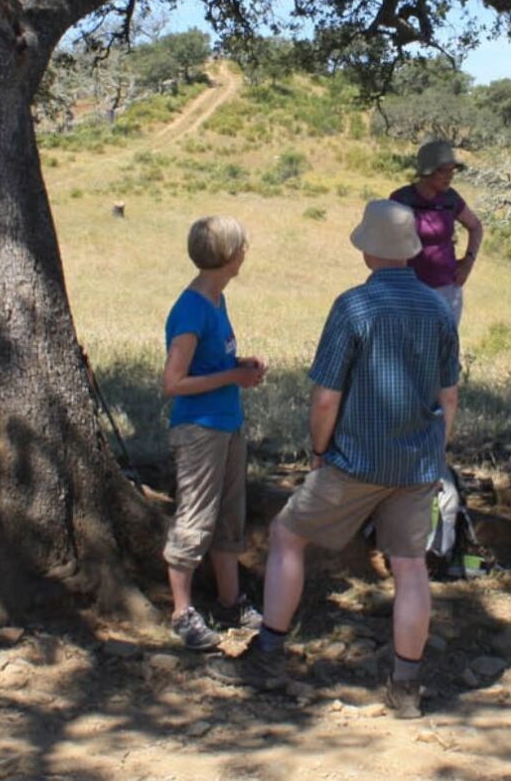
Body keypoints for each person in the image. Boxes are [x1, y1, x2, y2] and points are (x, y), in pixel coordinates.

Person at [213, 200, 460, 720]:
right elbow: (449, 398)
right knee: (410, 566)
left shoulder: (354, 307)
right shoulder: (438, 310)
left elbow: (326, 396)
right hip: (416, 464)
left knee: (287, 534)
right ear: (410, 252)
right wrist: (434, 458)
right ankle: (406, 686)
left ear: (369, 251)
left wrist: (320, 452)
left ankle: (270, 653)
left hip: (356, 459)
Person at [160, 215, 267, 650]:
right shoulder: (191, 310)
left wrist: (240, 367)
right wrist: (231, 379)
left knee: (228, 519)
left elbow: (214, 365)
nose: (245, 254)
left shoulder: (217, 301)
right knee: (196, 519)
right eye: (241, 247)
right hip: (200, 430)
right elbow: (174, 382)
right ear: (227, 255)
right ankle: (182, 613)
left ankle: (230, 601)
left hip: (227, 425)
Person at [389, 139, 483, 324]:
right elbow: (387, 243)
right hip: (408, 289)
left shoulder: (451, 199)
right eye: (443, 170)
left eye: (452, 170)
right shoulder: (402, 199)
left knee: (443, 348)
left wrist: (468, 262)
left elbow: (476, 227)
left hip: (447, 290)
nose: (450, 176)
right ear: (427, 171)